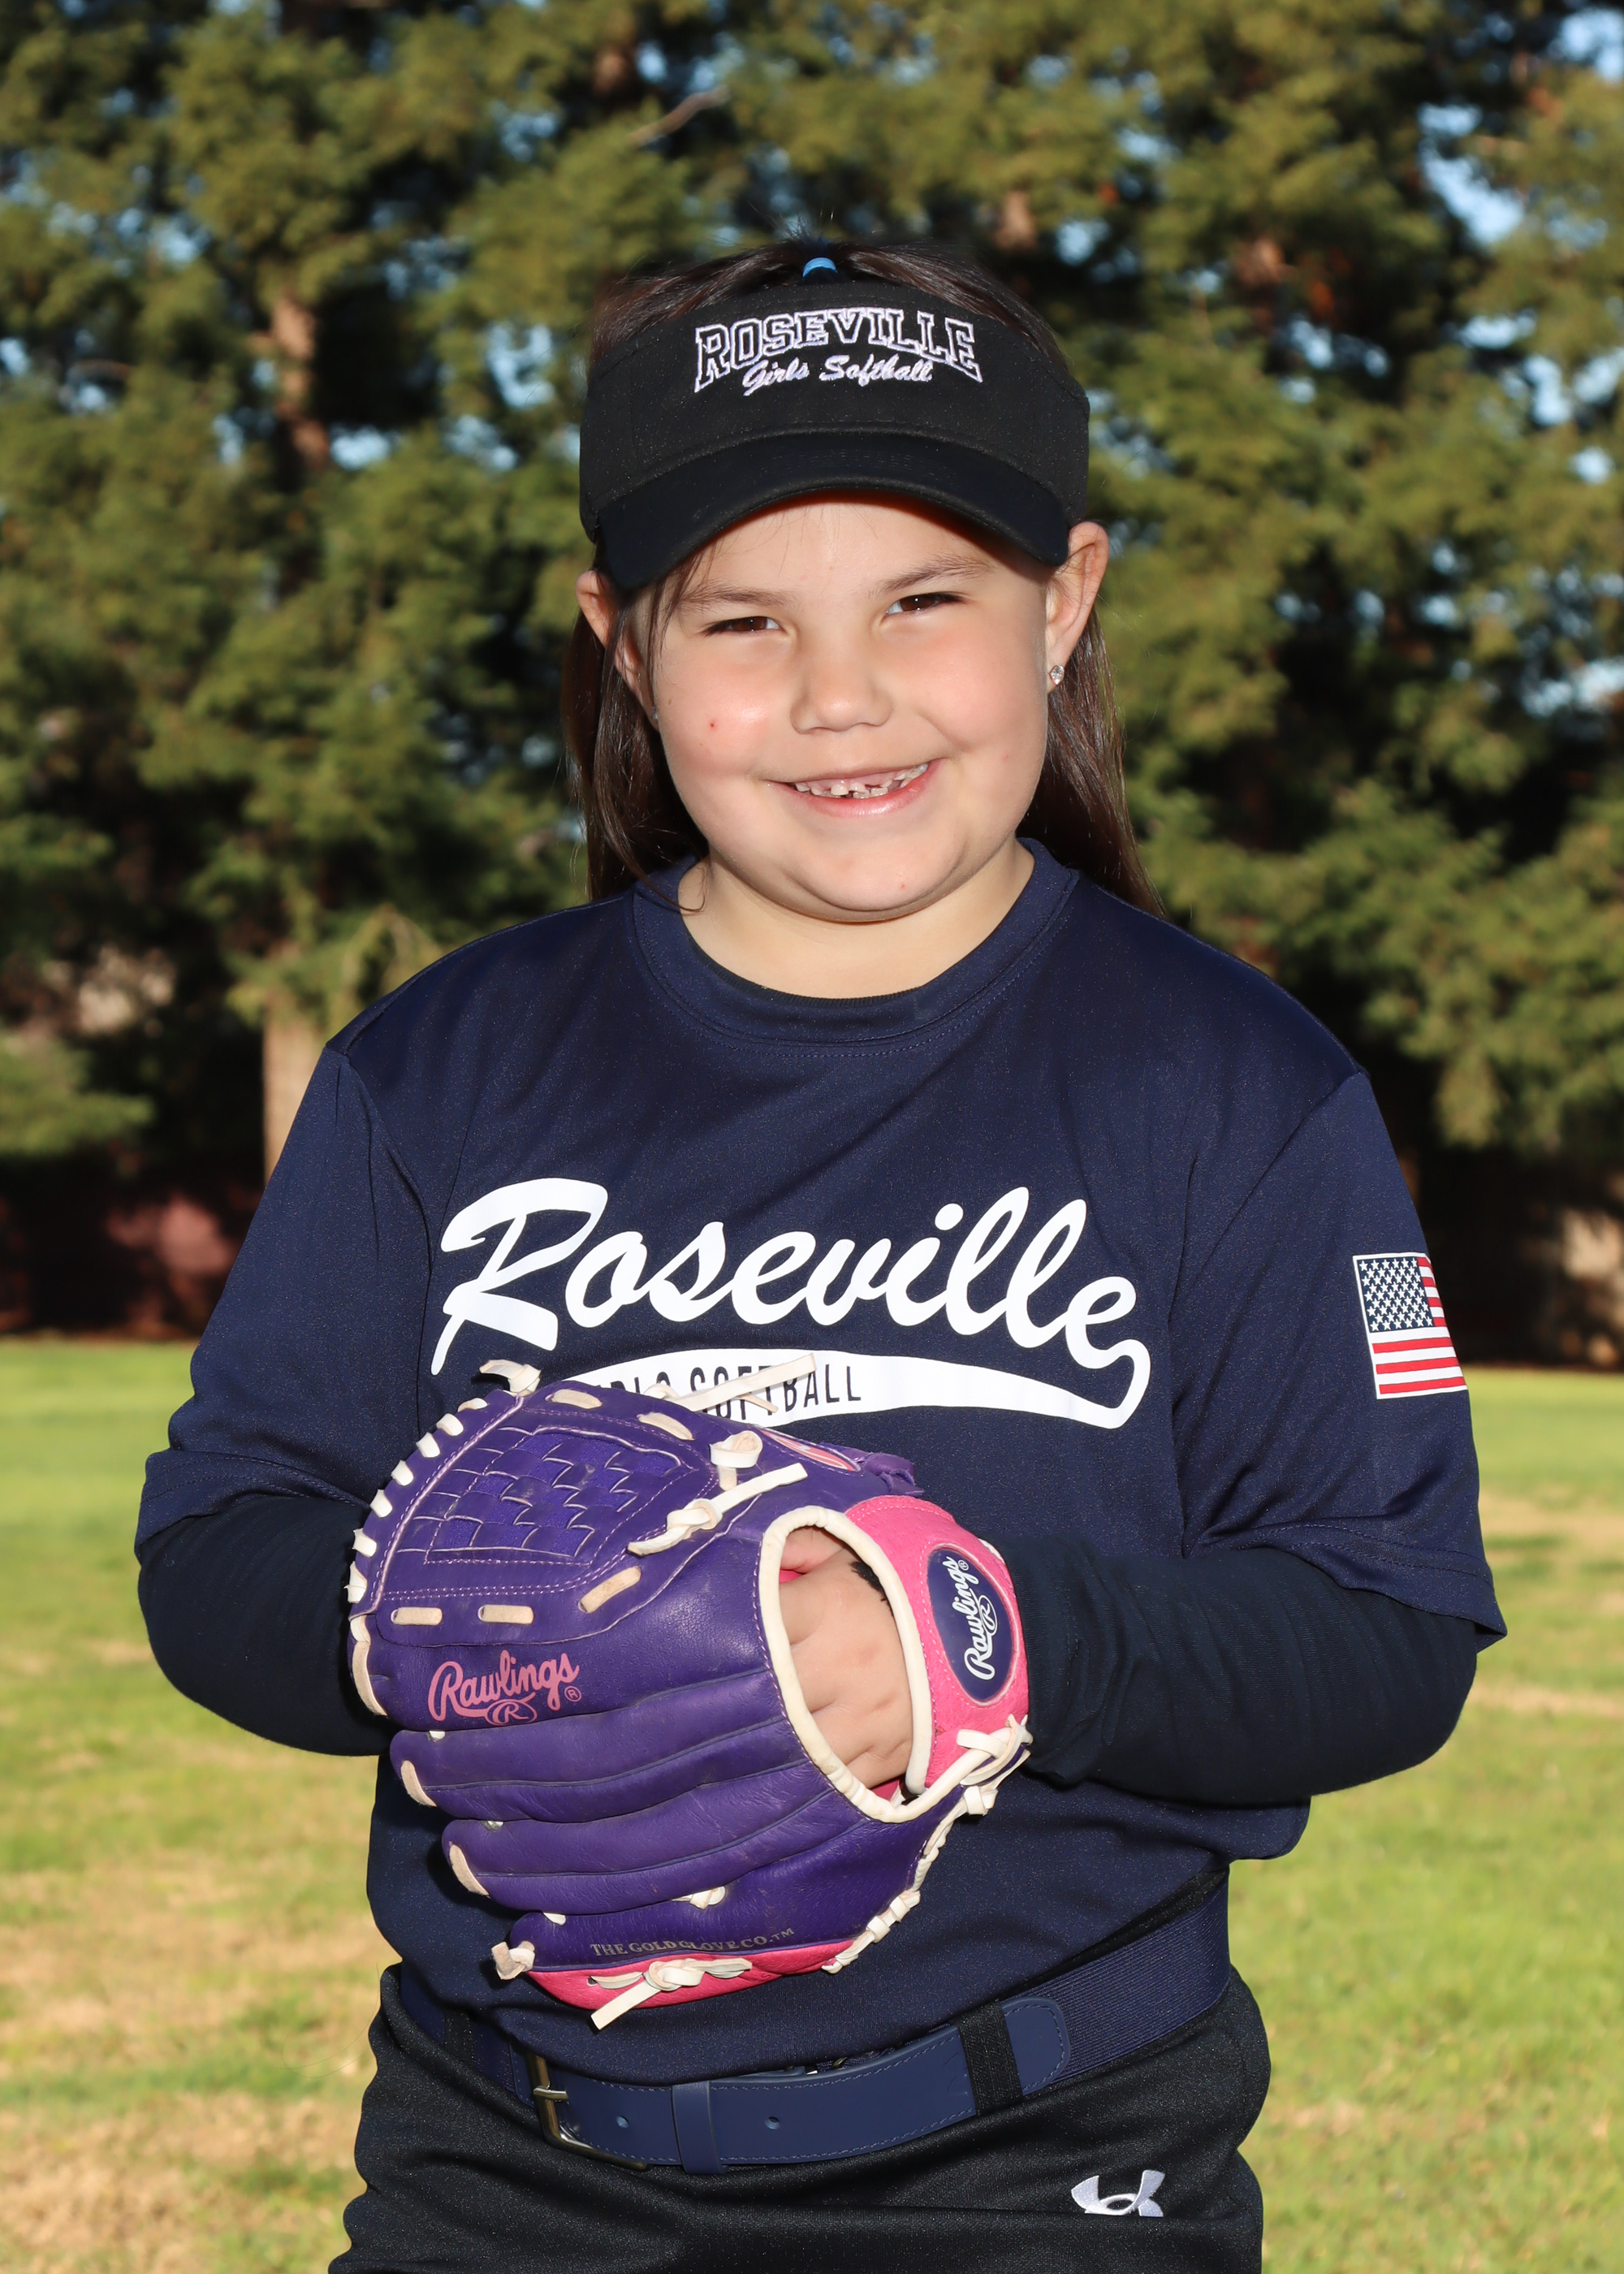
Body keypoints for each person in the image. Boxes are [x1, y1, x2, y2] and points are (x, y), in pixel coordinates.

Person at [137, 240, 1501, 2273]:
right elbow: (217, 1539)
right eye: (745, 617)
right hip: (509, 2173)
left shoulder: (1238, 1086)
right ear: (620, 641)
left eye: (923, 600)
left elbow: (1381, 1631)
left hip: (1038, 2167)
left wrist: (973, 1640)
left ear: (1065, 602)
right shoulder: (441, 1068)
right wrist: (460, 1633)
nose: (838, 694)